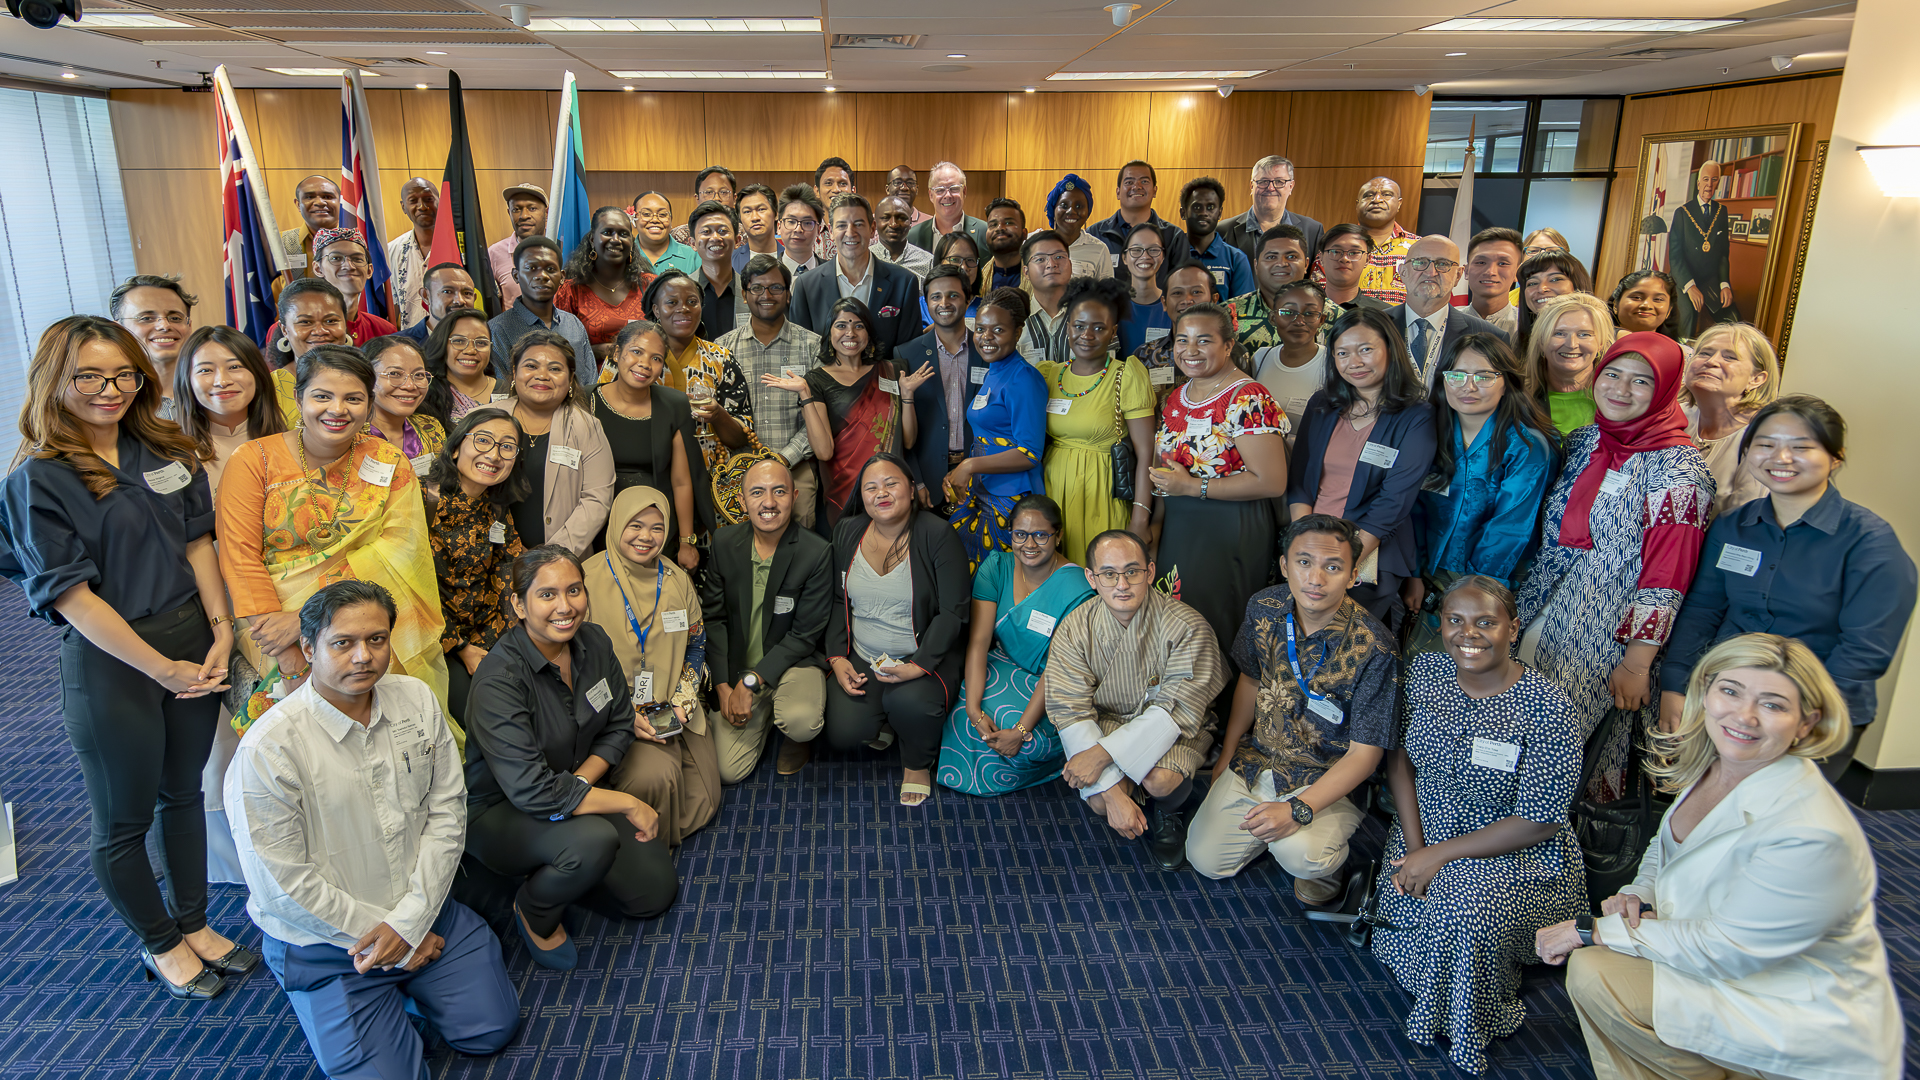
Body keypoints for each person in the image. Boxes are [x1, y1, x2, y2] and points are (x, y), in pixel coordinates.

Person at [0, 316, 247, 1000]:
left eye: (123, 375)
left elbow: (198, 543)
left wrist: (221, 631)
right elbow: (72, 598)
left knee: (184, 793)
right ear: (55, 380)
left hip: (194, 641)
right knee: (123, 820)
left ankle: (194, 923)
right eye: (89, 376)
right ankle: (160, 942)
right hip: (113, 662)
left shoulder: (165, 449)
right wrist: (160, 668)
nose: (110, 390)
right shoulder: (38, 480)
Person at [1543, 634, 1903, 1080]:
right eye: (1731, 691)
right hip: (1725, 965)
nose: (1744, 716)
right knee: (1596, 968)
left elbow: (1729, 948)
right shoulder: (1719, 762)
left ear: (1805, 723)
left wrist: (1590, 929)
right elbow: (1667, 845)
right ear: (1706, 691)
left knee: (1597, 972)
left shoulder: (1810, 831)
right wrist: (1640, 892)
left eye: (1772, 704)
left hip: (1787, 1006)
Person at [226, 581, 519, 1076]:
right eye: (342, 643)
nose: (363, 656)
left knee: (491, 1030)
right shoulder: (268, 749)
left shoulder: (415, 699)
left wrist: (410, 924)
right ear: (308, 648)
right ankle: (367, 995)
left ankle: (408, 991)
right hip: (329, 944)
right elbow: (281, 886)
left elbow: (447, 811)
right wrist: (392, 939)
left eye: (376, 639)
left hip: (424, 910)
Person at [1371, 576, 1585, 1074]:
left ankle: (1468, 1022)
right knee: (1413, 895)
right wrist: (1415, 845)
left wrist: (1437, 856)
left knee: (1463, 910)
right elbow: (1400, 760)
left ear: (1513, 628)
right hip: (1426, 825)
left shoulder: (1549, 708)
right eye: (1455, 620)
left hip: (1516, 847)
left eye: (1486, 622)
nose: (1468, 634)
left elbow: (1539, 821)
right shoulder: (1425, 672)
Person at [1662, 396, 1916, 780]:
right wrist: (1677, 686)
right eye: (1765, 444)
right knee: (1707, 803)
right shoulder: (1732, 527)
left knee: (1773, 810)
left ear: (1836, 458)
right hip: (1727, 701)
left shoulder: (1869, 542)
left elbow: (1864, 650)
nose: (1780, 458)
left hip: (1817, 710)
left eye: (1801, 447)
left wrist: (1800, 717)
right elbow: (1702, 611)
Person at [1516, 333, 1714, 800]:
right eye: (1613, 374)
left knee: (1558, 757)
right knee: (1515, 737)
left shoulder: (1679, 472)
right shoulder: (1585, 441)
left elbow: (1667, 579)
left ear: (1667, 390)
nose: (1621, 389)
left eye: (1642, 381)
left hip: (1603, 637)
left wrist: (1637, 663)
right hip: (1537, 612)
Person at [463, 546, 677, 972]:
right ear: (518, 605)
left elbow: (619, 723)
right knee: (593, 841)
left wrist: (579, 784)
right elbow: (535, 793)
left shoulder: (593, 641)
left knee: (653, 893)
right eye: (547, 595)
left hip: (573, 788)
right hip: (503, 810)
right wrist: (626, 802)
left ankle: (561, 865)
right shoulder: (498, 681)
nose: (565, 607)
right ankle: (534, 908)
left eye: (574, 590)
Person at [217, 344, 450, 728]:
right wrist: (289, 652)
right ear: (299, 399)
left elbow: (402, 551)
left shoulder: (389, 460)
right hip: (271, 623)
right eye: (322, 396)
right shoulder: (254, 460)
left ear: (369, 405)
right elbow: (240, 558)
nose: (337, 409)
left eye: (353, 399)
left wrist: (306, 619)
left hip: (369, 619)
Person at [1188, 515, 1398, 902]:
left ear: (1353, 575)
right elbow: (1250, 680)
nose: (1315, 579)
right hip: (1260, 758)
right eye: (1304, 562)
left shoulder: (1376, 648)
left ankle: (1319, 858)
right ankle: (1273, 830)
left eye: (1332, 567)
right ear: (1285, 565)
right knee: (1205, 859)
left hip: (1326, 776)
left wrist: (1298, 810)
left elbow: (1365, 755)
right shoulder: (1263, 607)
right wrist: (1229, 753)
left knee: (1302, 856)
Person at [173, 324, 289, 885]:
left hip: (282, 596)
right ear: (187, 380)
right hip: (206, 600)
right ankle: (234, 863)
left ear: (258, 374)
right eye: (206, 369)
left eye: (235, 366)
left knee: (283, 717)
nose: (222, 380)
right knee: (223, 732)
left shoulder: (289, 438)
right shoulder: (171, 452)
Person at [1046, 529, 1227, 870]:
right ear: (1091, 578)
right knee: (1100, 802)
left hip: (1178, 725)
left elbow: (1178, 711)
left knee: (1159, 780)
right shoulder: (1074, 627)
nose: (1122, 584)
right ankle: (1125, 794)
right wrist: (1112, 794)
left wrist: (1100, 756)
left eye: (1132, 571)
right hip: (1109, 719)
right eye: (1109, 574)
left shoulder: (1187, 625)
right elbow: (1069, 708)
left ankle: (1170, 809)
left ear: (1150, 572)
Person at [824, 454, 972, 807]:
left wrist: (918, 666)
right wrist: (837, 657)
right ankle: (890, 721)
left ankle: (917, 762)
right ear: (861, 495)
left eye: (891, 483)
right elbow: (838, 600)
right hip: (864, 655)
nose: (882, 493)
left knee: (910, 704)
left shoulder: (937, 534)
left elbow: (953, 612)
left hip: (922, 653)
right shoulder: (848, 531)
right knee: (844, 732)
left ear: (911, 487)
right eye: (871, 487)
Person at [585, 487, 722, 846]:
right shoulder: (585, 580)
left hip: (669, 705)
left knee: (706, 793)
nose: (646, 537)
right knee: (656, 776)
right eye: (635, 525)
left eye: (657, 528)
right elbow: (577, 665)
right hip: (613, 712)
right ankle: (645, 850)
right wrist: (623, 714)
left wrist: (683, 702)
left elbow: (696, 644)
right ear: (616, 524)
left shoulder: (676, 579)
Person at [1151, 302, 1291, 655]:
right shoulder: (1178, 396)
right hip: (1180, 525)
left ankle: (1220, 690)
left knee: (1214, 621)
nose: (1190, 350)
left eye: (1204, 340)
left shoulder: (1248, 397)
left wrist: (1192, 486)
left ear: (1228, 345)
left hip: (1229, 526)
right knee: (1177, 615)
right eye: (1182, 340)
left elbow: (1271, 481)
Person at [1286, 306, 1437, 628]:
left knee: (1349, 646)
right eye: (1343, 353)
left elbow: (1394, 501)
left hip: (1369, 554)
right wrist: (1304, 546)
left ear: (1390, 349)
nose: (1354, 362)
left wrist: (1342, 560)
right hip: (1309, 549)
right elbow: (1299, 481)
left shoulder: (1416, 415)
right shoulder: (1322, 404)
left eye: (1365, 350)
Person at [1407, 334, 1558, 653]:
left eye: (1484, 376)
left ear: (1507, 383)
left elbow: (1509, 529)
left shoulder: (1526, 446)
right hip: (1426, 576)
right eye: (1457, 375)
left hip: (1490, 583)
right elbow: (1414, 509)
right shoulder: (1429, 433)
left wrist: (1471, 594)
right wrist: (1414, 573)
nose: (1468, 387)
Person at [936, 495, 1095, 795]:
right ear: (1010, 533)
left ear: (1058, 535)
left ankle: (1051, 761)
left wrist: (1021, 731)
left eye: (1041, 535)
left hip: (1056, 682)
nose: (1029, 544)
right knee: (959, 708)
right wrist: (973, 709)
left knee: (1018, 736)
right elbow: (979, 642)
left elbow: (1059, 668)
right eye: (1020, 534)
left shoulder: (1078, 588)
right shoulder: (997, 567)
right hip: (1004, 662)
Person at [702, 458, 833, 779]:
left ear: (795, 496)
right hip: (739, 667)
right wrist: (722, 685)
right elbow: (714, 618)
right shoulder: (724, 542)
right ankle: (765, 716)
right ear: (742, 500)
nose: (769, 502)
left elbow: (804, 636)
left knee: (800, 720)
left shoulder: (816, 552)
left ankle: (791, 732)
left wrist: (750, 684)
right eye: (757, 492)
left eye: (779, 491)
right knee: (727, 771)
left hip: (793, 664)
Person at [766, 298, 929, 531]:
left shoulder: (892, 370)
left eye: (858, 325)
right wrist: (805, 394)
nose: (850, 333)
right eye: (841, 325)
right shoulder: (816, 380)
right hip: (844, 491)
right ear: (829, 333)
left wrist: (907, 395)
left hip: (891, 488)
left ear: (869, 333)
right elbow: (824, 452)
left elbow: (908, 441)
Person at [1037, 276, 1155, 563]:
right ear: (1067, 327)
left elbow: (1147, 454)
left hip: (1102, 493)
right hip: (1054, 492)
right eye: (1079, 326)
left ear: (1113, 331)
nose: (1087, 335)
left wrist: (1140, 518)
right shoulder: (1049, 374)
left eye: (1099, 328)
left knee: (1102, 572)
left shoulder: (1126, 374)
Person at [627, 270, 758, 518]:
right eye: (672, 302)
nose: (683, 309)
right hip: (644, 476)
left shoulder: (721, 359)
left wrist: (718, 415)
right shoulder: (630, 356)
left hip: (710, 482)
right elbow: (606, 412)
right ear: (656, 310)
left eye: (692, 302)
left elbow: (742, 436)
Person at [426, 408, 528, 725]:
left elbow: (510, 571)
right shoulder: (423, 499)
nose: (494, 455)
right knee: (481, 717)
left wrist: (506, 642)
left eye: (507, 447)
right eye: (483, 440)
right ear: (457, 447)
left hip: (489, 637)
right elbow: (414, 588)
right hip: (437, 642)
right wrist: (462, 647)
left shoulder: (495, 507)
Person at [715, 255, 825, 527]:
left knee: (800, 535)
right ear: (744, 295)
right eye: (757, 288)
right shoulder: (722, 348)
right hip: (738, 469)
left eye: (776, 287)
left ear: (788, 294)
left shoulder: (813, 346)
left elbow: (821, 417)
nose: (766, 295)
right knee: (738, 540)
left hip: (796, 465)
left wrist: (784, 457)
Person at [944, 287, 1048, 569]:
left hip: (1010, 498)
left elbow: (1030, 453)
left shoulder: (1024, 378)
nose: (986, 337)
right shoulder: (996, 371)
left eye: (998, 330)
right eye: (980, 329)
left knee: (1001, 576)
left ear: (1018, 332)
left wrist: (968, 466)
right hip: (984, 491)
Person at [592, 319, 703, 565]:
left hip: (656, 527)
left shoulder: (674, 404)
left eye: (656, 358)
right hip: (598, 523)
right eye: (636, 351)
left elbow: (682, 482)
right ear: (617, 353)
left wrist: (686, 541)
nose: (645, 363)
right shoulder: (587, 401)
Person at [501, 330, 615, 556]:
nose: (542, 375)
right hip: (491, 559)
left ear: (570, 378)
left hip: (564, 560)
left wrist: (552, 556)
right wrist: (508, 548)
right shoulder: (484, 420)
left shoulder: (587, 427)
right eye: (531, 366)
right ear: (514, 372)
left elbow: (597, 500)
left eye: (554, 369)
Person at [790, 194, 924, 359]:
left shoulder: (904, 282)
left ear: (872, 229)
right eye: (841, 225)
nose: (850, 233)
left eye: (858, 224)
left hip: (885, 375)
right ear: (831, 231)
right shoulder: (806, 285)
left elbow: (909, 354)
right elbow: (801, 353)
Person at [899, 263, 985, 514]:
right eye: (935, 297)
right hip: (927, 480)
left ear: (968, 299)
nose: (944, 303)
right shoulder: (906, 354)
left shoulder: (987, 350)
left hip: (980, 474)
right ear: (926, 302)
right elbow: (900, 429)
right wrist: (917, 480)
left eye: (953, 295)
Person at [1680, 320, 1778, 517]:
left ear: (1756, 379)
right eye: (1704, 353)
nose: (1711, 361)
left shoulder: (1763, 439)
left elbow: (1744, 523)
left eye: (1730, 357)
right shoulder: (1672, 415)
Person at [1388, 234, 1508, 387]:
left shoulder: (1490, 336)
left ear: (1458, 275)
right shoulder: (1373, 325)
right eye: (1420, 262)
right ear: (1402, 272)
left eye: (1443, 264)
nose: (1431, 272)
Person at [263, 230, 399, 361]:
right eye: (336, 258)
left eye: (357, 259)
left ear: (369, 270)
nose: (349, 266)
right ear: (318, 269)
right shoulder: (291, 328)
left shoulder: (384, 329)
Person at [489, 236, 595, 388]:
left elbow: (590, 383)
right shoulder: (497, 330)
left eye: (550, 269)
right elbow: (502, 390)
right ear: (516, 275)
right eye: (531, 268)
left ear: (562, 277)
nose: (542, 276)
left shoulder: (574, 324)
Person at [557, 207, 658, 366]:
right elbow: (556, 350)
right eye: (607, 232)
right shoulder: (570, 291)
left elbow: (668, 338)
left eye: (623, 234)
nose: (616, 239)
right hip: (590, 379)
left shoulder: (651, 285)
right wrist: (596, 351)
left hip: (644, 375)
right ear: (592, 240)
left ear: (631, 242)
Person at [1126, 260, 1230, 407]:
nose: (1187, 300)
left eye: (1196, 292)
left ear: (1214, 300)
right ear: (1164, 303)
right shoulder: (1144, 356)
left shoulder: (1231, 353)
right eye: (1177, 293)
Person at [1665, 160, 1739, 339]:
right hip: (1684, 278)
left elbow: (1723, 254)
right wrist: (1690, 286)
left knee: (1734, 320)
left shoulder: (1721, 211)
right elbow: (1675, 257)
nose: (1709, 185)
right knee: (1688, 317)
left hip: (1709, 279)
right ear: (1698, 183)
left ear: (1718, 183)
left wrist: (1724, 284)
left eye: (1714, 180)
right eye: (1705, 179)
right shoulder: (1682, 212)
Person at [1087, 161, 1190, 285]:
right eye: (1129, 182)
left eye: (1144, 181)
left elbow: (1182, 285)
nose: (1136, 186)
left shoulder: (1173, 236)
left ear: (1155, 191)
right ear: (1118, 192)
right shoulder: (1094, 234)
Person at [1526, 292, 1615, 435]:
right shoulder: (1515, 396)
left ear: (1601, 343)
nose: (1572, 344)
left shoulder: (1617, 397)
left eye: (1584, 334)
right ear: (1541, 341)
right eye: (1559, 333)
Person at [111, 274, 196, 420]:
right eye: (146, 318)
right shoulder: (110, 400)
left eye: (175, 318)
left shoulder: (217, 389)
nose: (164, 326)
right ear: (119, 329)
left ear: (189, 327)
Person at [265, 278, 352, 419]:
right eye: (305, 322)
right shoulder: (267, 389)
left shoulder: (371, 379)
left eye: (331, 321)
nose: (320, 331)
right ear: (284, 329)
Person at [1251, 280, 1331, 434]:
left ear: (1321, 320)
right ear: (1273, 318)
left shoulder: (1332, 363)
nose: (1299, 321)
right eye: (1288, 313)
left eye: (1310, 313)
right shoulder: (1260, 358)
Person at [362, 335, 445, 480]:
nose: (410, 386)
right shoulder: (348, 435)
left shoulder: (430, 428)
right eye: (394, 374)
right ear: (366, 377)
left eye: (419, 375)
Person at [1218, 155, 1324, 268]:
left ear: (1291, 187)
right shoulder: (1222, 231)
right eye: (1263, 181)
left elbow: (1317, 277)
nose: (1271, 188)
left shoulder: (1313, 231)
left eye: (1279, 181)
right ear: (1251, 186)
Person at [1228, 223, 1315, 355]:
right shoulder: (1225, 315)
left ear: (1306, 264)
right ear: (1256, 265)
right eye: (1271, 257)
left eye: (1291, 257)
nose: (1281, 263)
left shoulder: (1334, 317)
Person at [1177, 176, 1255, 301]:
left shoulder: (1236, 259)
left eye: (1210, 207)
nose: (1204, 213)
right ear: (1183, 213)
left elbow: (1243, 309)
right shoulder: (1170, 255)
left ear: (1219, 213)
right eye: (1197, 207)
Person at [420, 306, 497, 427]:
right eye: (459, 341)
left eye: (481, 343)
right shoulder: (424, 395)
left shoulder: (509, 392)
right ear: (442, 344)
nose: (470, 350)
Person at [1513, 248, 1594, 356]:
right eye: (1532, 283)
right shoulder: (1517, 341)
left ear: (1577, 284)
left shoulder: (1609, 339)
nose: (1542, 289)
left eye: (1555, 279)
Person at [1014, 230, 1075, 365]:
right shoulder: (1015, 320)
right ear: (1026, 272)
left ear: (1070, 265)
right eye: (1040, 259)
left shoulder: (1090, 315)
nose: (1051, 264)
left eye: (1059, 257)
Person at [1352, 177, 1416, 304]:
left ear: (1399, 203)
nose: (1377, 200)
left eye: (1387, 194)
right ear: (1357, 204)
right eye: (1368, 195)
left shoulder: (1419, 247)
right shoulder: (1337, 246)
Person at [689, 200, 746, 340]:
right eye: (706, 232)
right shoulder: (679, 291)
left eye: (722, 231)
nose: (715, 238)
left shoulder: (752, 291)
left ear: (737, 241)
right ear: (693, 243)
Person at [904, 161, 989, 254]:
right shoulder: (913, 236)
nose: (947, 195)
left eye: (954, 188)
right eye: (940, 190)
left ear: (964, 191)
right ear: (931, 195)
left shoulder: (984, 232)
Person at [386, 177, 438, 327]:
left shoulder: (460, 246)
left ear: (439, 202)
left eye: (428, 199)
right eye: (413, 200)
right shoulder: (391, 251)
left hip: (454, 338)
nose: (422, 206)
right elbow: (392, 308)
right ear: (403, 207)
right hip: (411, 339)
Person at [1116, 221, 1172, 359]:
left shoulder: (1173, 305)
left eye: (1153, 250)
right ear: (1124, 258)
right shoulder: (1113, 306)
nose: (1145, 256)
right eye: (1136, 250)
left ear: (1163, 256)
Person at [487, 182, 548, 310]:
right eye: (516, 209)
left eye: (532, 208)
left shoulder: (565, 248)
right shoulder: (494, 253)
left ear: (547, 212)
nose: (524, 216)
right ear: (509, 212)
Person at [1042, 173, 1114, 281]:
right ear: (1053, 210)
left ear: (1088, 212)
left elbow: (1107, 291)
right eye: (1064, 205)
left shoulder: (1099, 249)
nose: (1071, 211)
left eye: (1079, 206)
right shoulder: (1035, 244)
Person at [1317, 224, 1394, 319]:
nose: (1344, 259)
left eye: (1354, 252)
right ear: (1321, 258)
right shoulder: (1304, 307)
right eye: (1335, 251)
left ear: (1367, 259)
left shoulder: (1384, 314)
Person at [276, 174, 340, 288]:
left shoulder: (359, 242)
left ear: (341, 202)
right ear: (298, 205)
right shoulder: (277, 244)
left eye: (327, 196)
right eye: (309, 197)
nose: (320, 202)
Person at [1462, 227, 1525, 337]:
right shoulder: (1446, 322)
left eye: (1503, 263)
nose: (1491, 272)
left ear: (1517, 273)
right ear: (1466, 271)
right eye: (1481, 262)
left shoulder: (1530, 327)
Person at [399, 261, 479, 346]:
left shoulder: (485, 341)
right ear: (426, 296)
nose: (460, 300)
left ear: (474, 298)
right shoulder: (399, 345)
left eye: (467, 293)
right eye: (447, 292)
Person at [631, 191, 699, 277]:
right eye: (646, 214)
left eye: (662, 214)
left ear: (671, 220)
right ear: (634, 219)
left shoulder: (693, 256)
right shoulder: (625, 255)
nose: (655, 220)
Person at [669, 166, 738, 246]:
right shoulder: (678, 236)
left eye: (723, 192)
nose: (716, 198)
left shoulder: (745, 234)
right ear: (697, 198)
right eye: (709, 192)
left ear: (734, 198)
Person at [872, 194, 935, 280]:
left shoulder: (928, 262)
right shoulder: (864, 259)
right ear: (875, 223)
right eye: (885, 218)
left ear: (910, 222)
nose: (893, 224)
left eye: (901, 218)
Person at [1609, 269, 1680, 340]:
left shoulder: (1675, 346)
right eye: (1637, 297)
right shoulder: (1602, 342)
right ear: (1615, 305)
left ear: (1669, 310)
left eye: (1658, 299)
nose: (1646, 305)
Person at [777, 183, 827, 277]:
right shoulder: (765, 275)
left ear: (819, 229)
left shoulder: (833, 274)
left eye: (807, 223)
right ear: (779, 227)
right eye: (791, 221)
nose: (798, 229)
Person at [733, 182, 783, 271]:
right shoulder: (730, 261)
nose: (755, 217)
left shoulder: (793, 258)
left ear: (776, 214)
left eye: (761, 209)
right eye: (747, 211)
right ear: (740, 219)